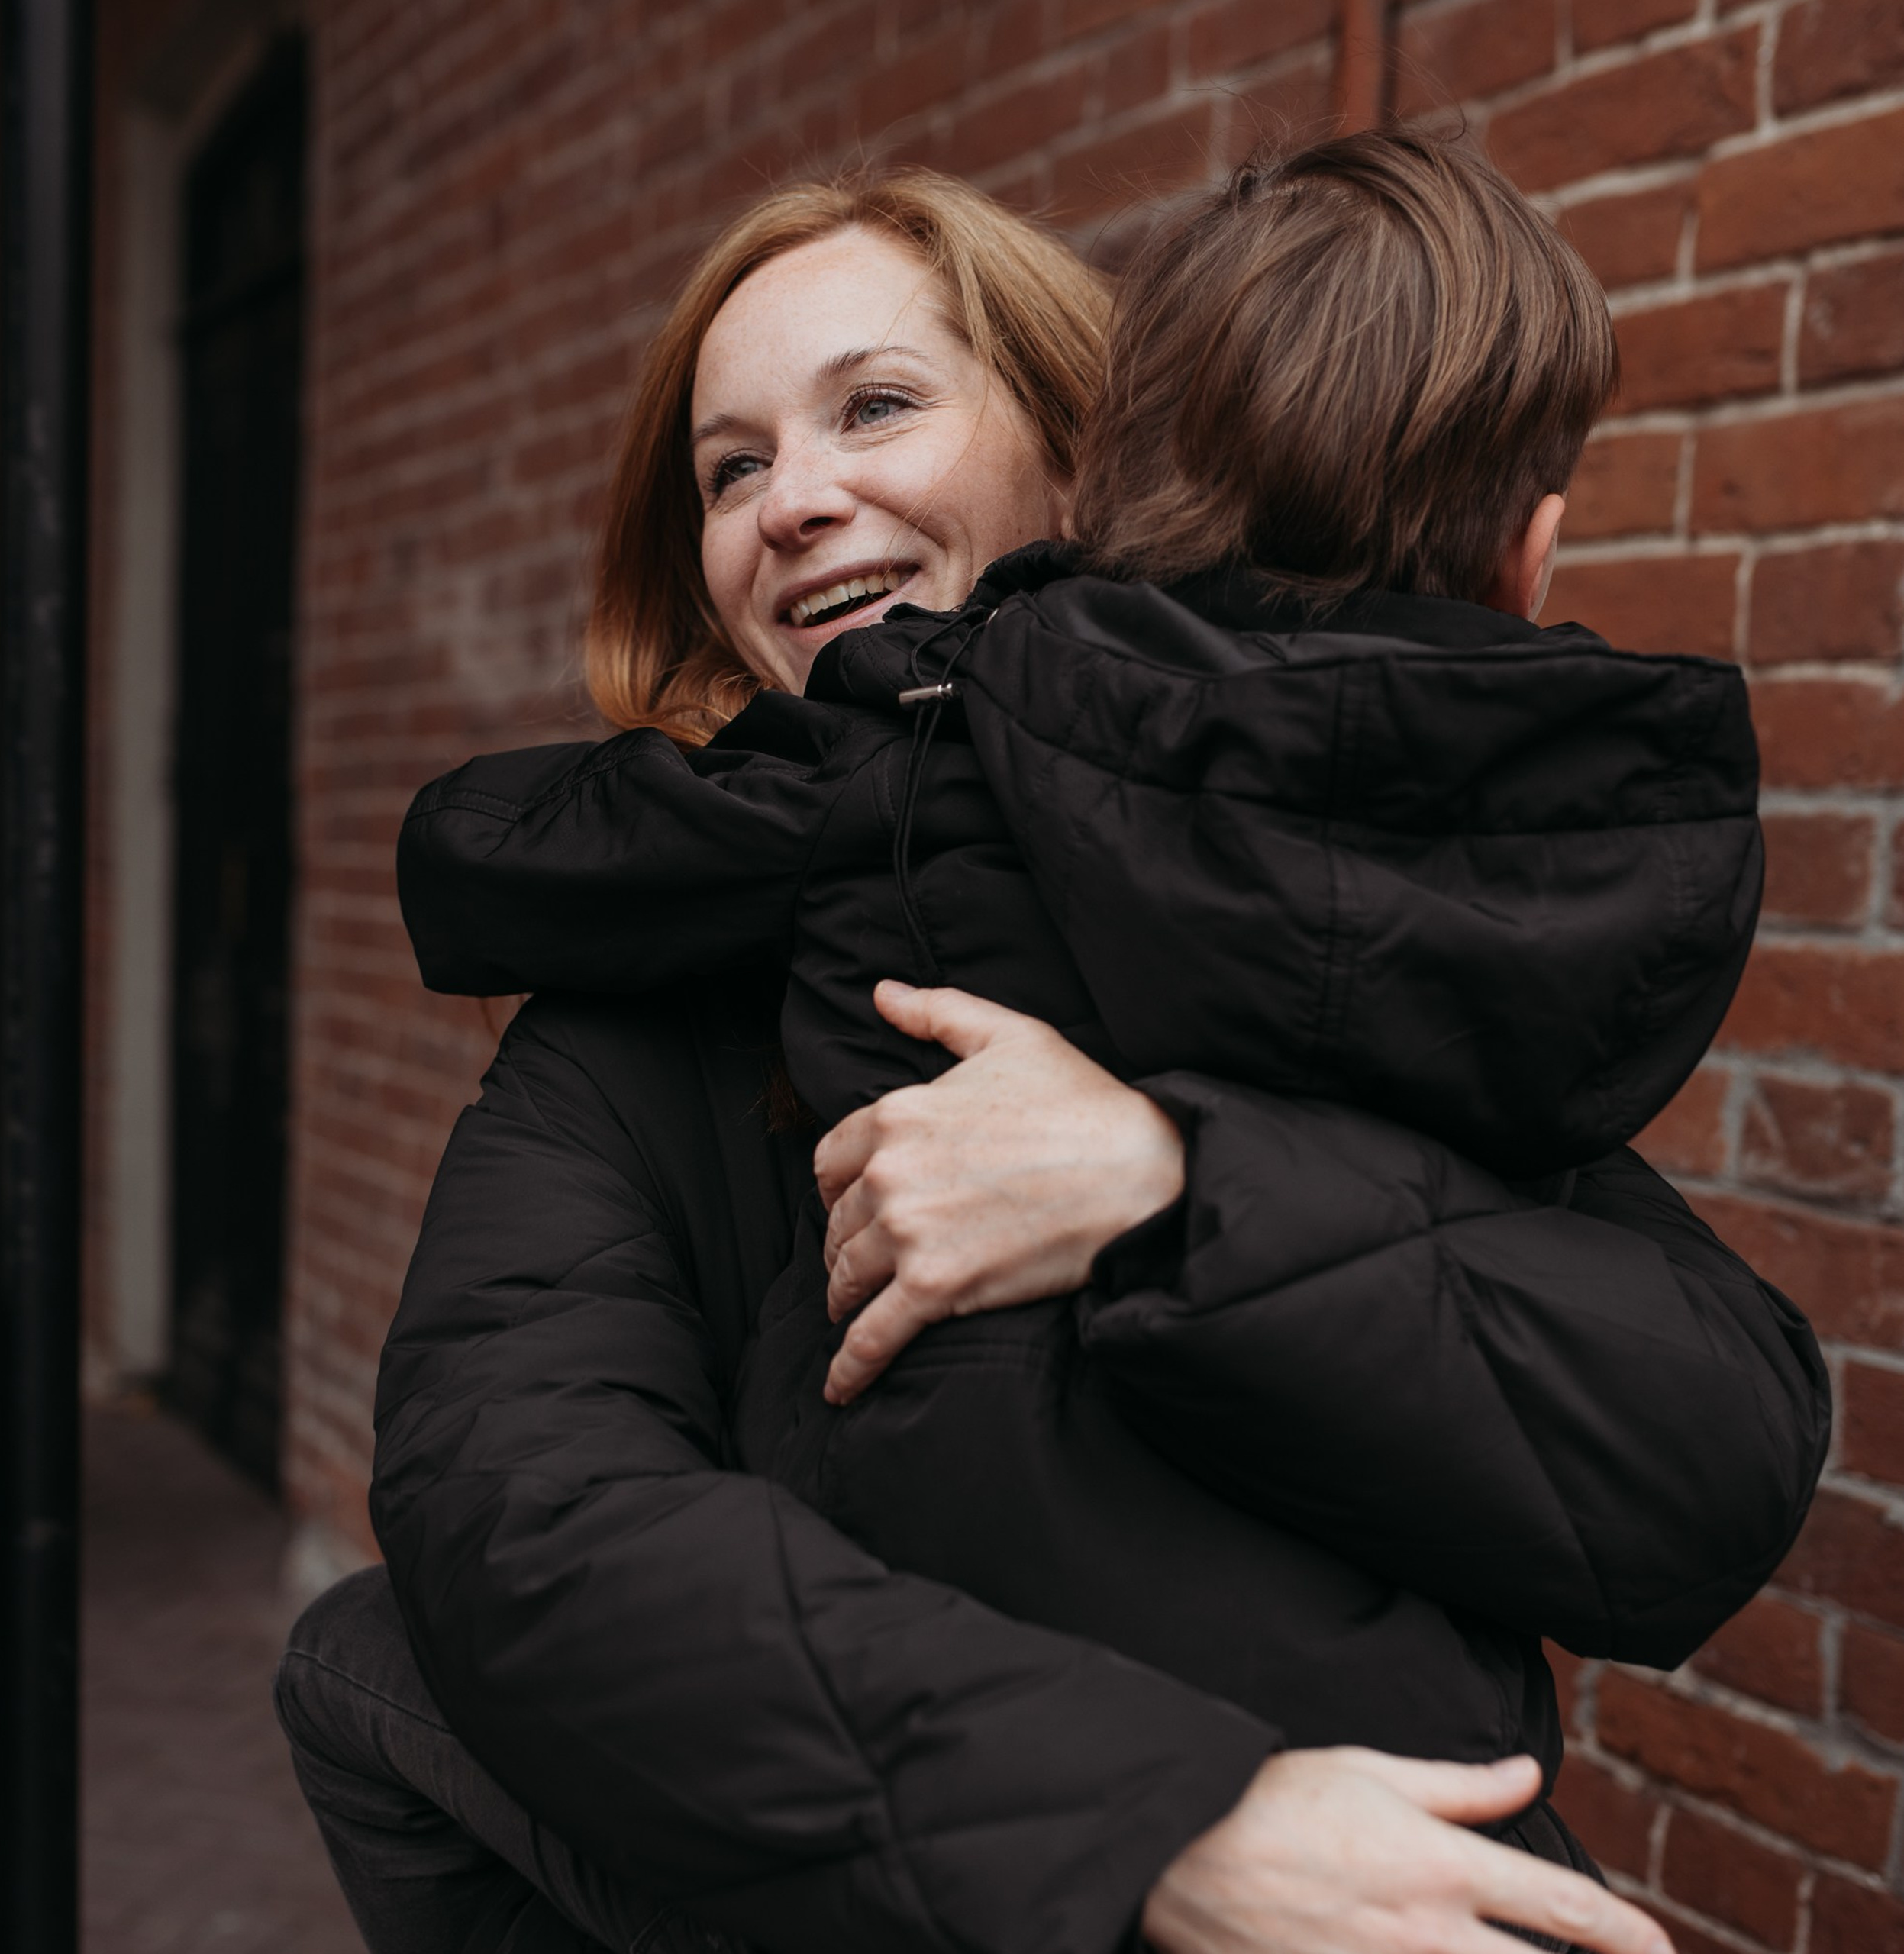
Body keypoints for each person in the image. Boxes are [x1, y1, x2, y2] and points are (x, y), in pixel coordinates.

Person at [278, 156, 1825, 1954]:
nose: (792, 501)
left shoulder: (1253, 894)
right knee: (370, 1663)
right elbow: (518, 1510)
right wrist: (1157, 1823)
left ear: (1084, 463)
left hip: (1381, 1865)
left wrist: (1166, 1187)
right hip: (1023, 1848)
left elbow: (1700, 1441)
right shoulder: (628, 1026)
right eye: (728, 467)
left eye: (875, 405)